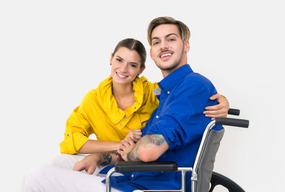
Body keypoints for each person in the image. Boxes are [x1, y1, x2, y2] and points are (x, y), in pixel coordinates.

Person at [23, 17, 229, 192]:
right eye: (156, 42)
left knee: (36, 176)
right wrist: (100, 157)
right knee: (62, 162)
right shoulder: (163, 93)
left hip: (152, 184)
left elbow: (147, 151)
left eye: (171, 39)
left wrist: (131, 149)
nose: (163, 45)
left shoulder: (192, 86)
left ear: (186, 45)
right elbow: (136, 148)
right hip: (135, 175)